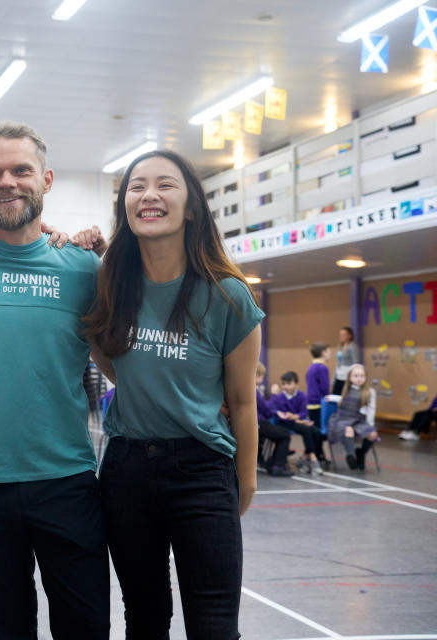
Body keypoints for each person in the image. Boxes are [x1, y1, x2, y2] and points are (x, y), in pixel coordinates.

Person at [0, 122, 110, 639]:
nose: (6, 181)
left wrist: (97, 243)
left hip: (67, 482)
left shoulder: (82, 268)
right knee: (7, 630)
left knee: (86, 628)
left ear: (47, 179)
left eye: (21, 171)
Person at [83, 149, 262, 639]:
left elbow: (243, 403)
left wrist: (243, 481)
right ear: (125, 206)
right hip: (126, 470)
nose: (149, 195)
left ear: (191, 207)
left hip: (203, 471)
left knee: (214, 625)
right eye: (137, 186)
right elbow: (111, 359)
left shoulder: (228, 295)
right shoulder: (111, 283)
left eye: (166, 184)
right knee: (144, 617)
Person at [270, 371, 323, 476]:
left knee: (317, 432)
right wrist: (295, 419)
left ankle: (304, 457)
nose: (285, 386)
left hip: (297, 422)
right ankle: (312, 457)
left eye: (289, 384)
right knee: (306, 429)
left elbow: (303, 411)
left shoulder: (301, 396)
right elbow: (279, 413)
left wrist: (297, 418)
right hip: (284, 423)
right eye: (284, 384)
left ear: (296, 385)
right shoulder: (280, 397)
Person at [327, 363, 377, 470]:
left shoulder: (370, 392)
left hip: (358, 419)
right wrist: (332, 398)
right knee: (348, 430)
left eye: (362, 376)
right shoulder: (346, 389)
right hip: (342, 418)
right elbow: (341, 399)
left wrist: (370, 426)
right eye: (356, 376)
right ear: (349, 378)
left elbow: (371, 410)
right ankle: (351, 456)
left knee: (372, 434)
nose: (359, 379)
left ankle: (361, 454)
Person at [256, 362, 293, 476]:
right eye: (262, 376)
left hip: (258, 422)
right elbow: (266, 410)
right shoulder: (254, 390)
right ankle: (277, 465)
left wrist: (276, 412)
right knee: (285, 435)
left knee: (281, 433)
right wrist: (274, 395)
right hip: (258, 423)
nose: (263, 378)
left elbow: (265, 409)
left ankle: (270, 463)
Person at [305, 342, 331, 465]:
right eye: (329, 351)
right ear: (323, 352)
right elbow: (325, 387)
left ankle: (318, 454)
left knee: (316, 431)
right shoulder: (322, 368)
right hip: (319, 404)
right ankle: (316, 455)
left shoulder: (311, 367)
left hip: (311, 404)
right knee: (319, 432)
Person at [333, 326, 359, 395]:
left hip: (347, 377)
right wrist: (334, 379)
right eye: (340, 335)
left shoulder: (352, 347)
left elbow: (355, 363)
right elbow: (338, 363)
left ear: (349, 336)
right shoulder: (340, 347)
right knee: (335, 394)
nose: (341, 337)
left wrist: (353, 378)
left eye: (343, 335)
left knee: (345, 395)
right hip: (339, 375)